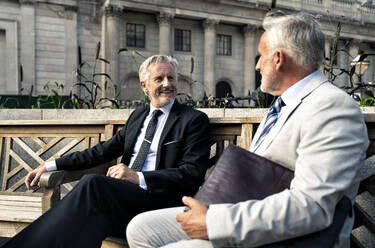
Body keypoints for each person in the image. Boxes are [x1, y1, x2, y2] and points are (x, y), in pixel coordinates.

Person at [125, 12, 369, 248]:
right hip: (246, 213)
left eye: (260, 56)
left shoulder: (332, 107)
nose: (257, 66)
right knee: (140, 227)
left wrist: (215, 221)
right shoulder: (283, 105)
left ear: (278, 59)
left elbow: (311, 207)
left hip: (285, 237)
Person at [2, 55, 210, 248]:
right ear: (144, 86)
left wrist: (137, 177)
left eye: (171, 78)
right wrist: (50, 165)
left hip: (160, 201)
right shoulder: (138, 117)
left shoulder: (192, 120)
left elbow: (191, 174)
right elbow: (100, 152)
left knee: (93, 184)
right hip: (123, 201)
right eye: (159, 78)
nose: (167, 84)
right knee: (92, 219)